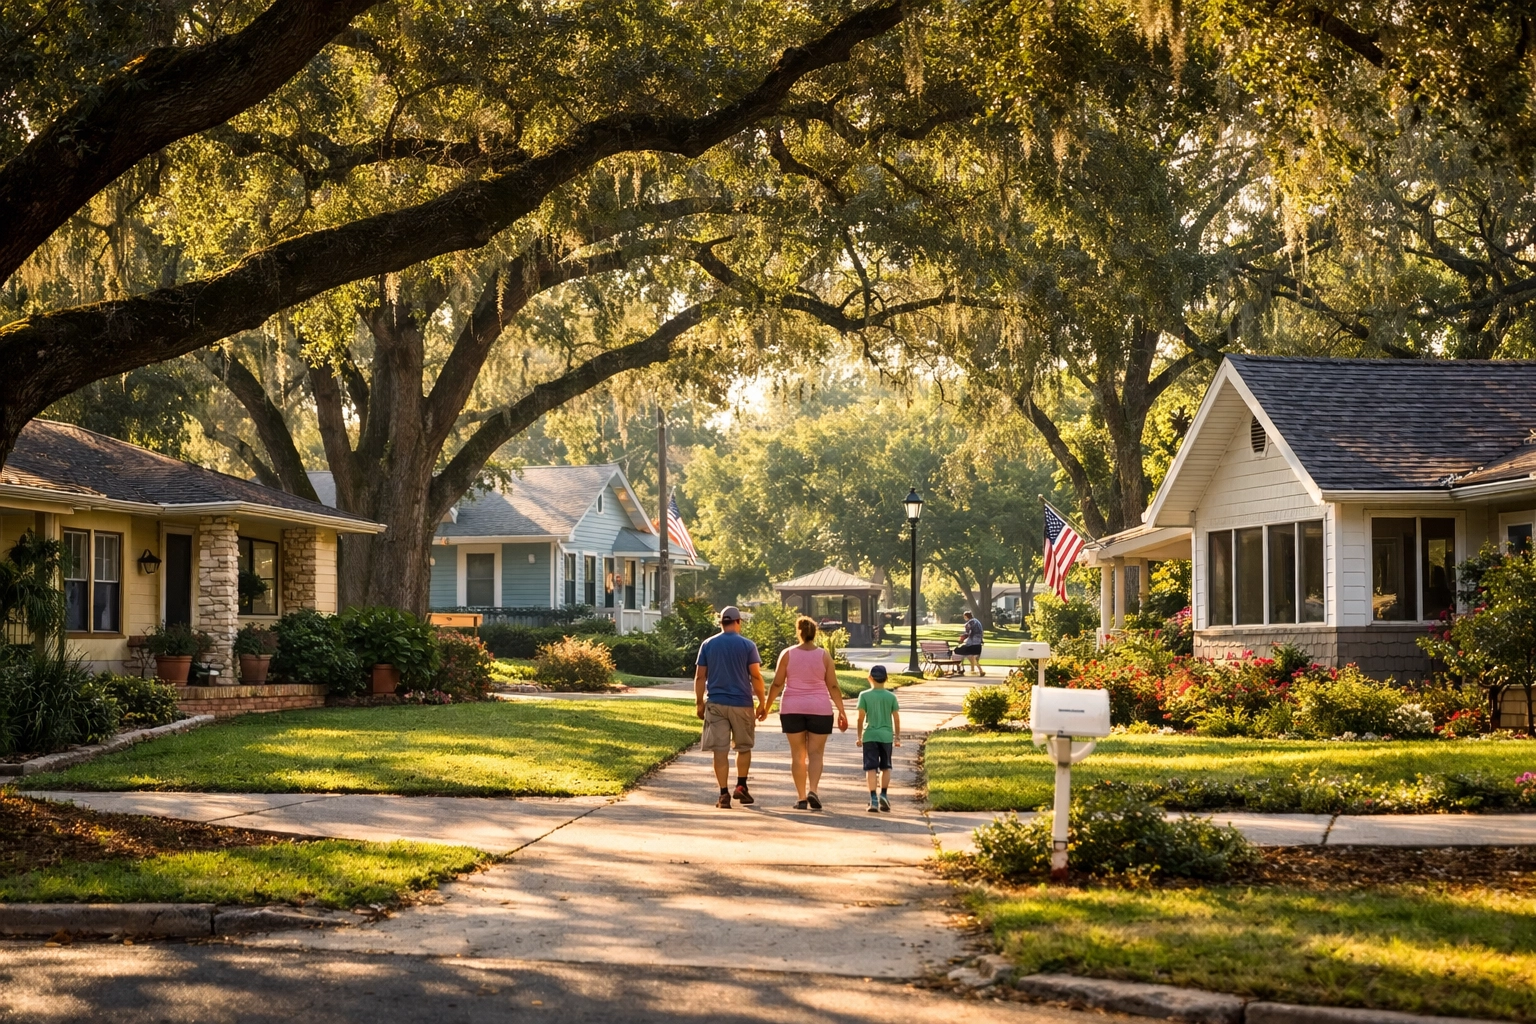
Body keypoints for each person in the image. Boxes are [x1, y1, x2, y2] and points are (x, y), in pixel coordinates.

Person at [761, 616, 848, 810]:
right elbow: (833, 685)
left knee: (798, 755)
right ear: (814, 633)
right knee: (816, 754)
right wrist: (842, 711)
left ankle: (801, 797)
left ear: (798, 632)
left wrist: (766, 708)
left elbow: (777, 683)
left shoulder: (787, 654)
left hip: (792, 708)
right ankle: (813, 791)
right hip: (820, 709)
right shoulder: (824, 656)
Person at [694, 605, 766, 808]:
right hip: (742, 704)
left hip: (716, 703)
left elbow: (700, 676)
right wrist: (762, 702)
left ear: (721, 623)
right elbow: (756, 676)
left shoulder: (708, 644)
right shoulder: (748, 645)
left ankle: (723, 794)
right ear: (738, 622)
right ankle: (741, 786)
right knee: (743, 747)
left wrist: (699, 702)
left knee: (720, 750)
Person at [854, 665, 901, 812]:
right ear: (886, 679)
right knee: (886, 766)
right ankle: (884, 795)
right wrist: (897, 736)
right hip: (886, 736)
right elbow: (896, 718)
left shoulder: (864, 695)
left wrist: (859, 736)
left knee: (870, 767)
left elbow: (860, 719)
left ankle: (873, 798)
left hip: (869, 735)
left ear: (870, 678)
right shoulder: (891, 697)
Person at [956, 610, 985, 676]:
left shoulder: (969, 623)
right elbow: (981, 632)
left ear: (966, 616)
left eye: (964, 616)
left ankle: (961, 668)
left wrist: (961, 639)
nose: (964, 618)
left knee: (964, 653)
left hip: (972, 642)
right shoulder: (977, 621)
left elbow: (967, 633)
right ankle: (973, 670)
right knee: (973, 656)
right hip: (978, 642)